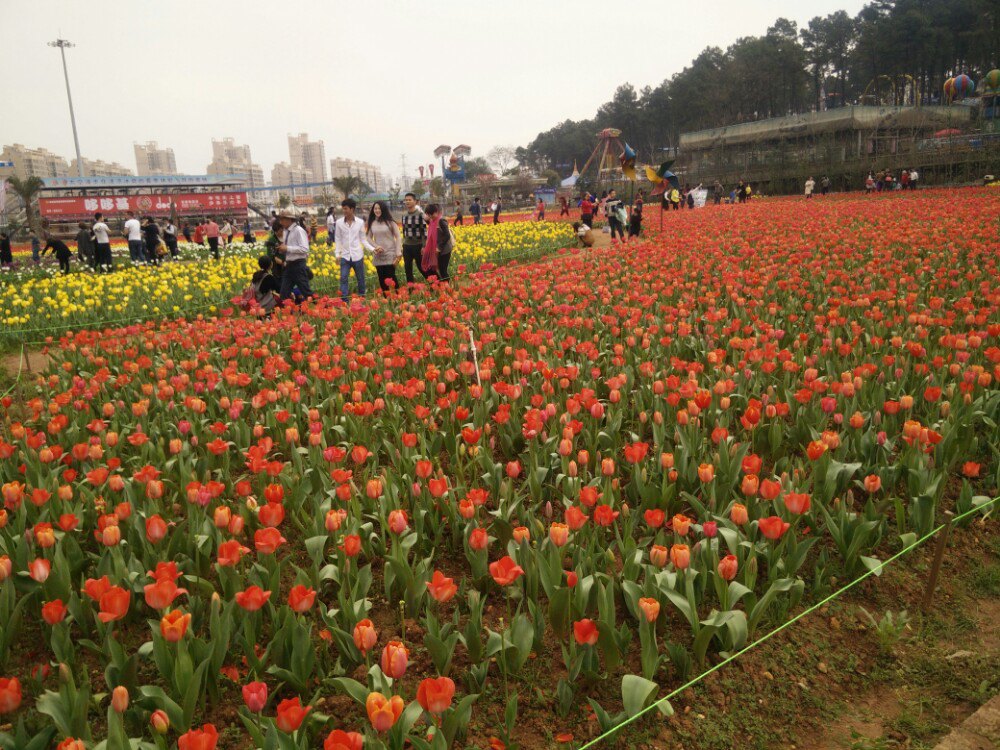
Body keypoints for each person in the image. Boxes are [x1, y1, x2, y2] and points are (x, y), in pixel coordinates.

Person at [334, 197, 374, 302]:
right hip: (345, 256)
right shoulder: (339, 223)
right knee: (343, 278)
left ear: (352, 209)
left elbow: (363, 240)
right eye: (343, 208)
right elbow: (337, 239)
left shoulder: (360, 222)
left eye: (346, 208)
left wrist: (373, 249)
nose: (344, 211)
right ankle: (344, 301)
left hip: (357, 256)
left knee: (361, 279)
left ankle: (362, 298)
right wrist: (337, 254)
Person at [276, 208, 313, 302]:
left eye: (282, 219)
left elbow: (305, 249)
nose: (280, 222)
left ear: (289, 219)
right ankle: (290, 314)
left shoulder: (299, 231)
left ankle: (323, 310)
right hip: (288, 265)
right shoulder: (285, 231)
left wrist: (287, 248)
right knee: (284, 294)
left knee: (306, 292)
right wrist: (282, 249)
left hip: (298, 265)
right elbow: (288, 247)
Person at [367, 200, 402, 293]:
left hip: (390, 253)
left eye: (379, 208)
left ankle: (400, 298)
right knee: (382, 280)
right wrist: (376, 246)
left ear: (383, 209)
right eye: (375, 208)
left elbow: (398, 237)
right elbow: (368, 238)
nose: (377, 210)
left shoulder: (390, 222)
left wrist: (398, 252)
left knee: (391, 278)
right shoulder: (372, 223)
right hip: (379, 255)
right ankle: (387, 300)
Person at [421, 203, 453, 283]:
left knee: (442, 270)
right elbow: (430, 225)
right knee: (437, 269)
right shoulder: (432, 221)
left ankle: (447, 286)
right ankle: (442, 286)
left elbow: (447, 236)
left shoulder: (441, 221)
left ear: (436, 212)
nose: (430, 216)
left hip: (444, 250)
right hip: (436, 250)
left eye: (431, 214)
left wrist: (439, 247)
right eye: (428, 214)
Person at [401, 192, 428, 284]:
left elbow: (424, 232)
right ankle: (411, 289)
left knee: (421, 267)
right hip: (407, 246)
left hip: (418, 245)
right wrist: (403, 243)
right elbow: (404, 231)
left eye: (409, 200)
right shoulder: (404, 215)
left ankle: (434, 283)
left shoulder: (420, 214)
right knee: (407, 269)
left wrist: (424, 246)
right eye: (406, 200)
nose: (407, 201)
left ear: (415, 202)